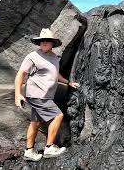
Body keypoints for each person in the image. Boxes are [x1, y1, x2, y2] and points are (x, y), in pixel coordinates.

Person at [14, 28, 80, 161]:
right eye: (42, 41)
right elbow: (20, 74)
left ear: (52, 44)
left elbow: (55, 75)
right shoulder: (32, 56)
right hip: (37, 94)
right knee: (58, 115)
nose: (44, 42)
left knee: (35, 123)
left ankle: (29, 151)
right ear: (39, 43)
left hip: (45, 95)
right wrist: (17, 94)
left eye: (47, 41)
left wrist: (68, 82)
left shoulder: (54, 57)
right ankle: (49, 148)